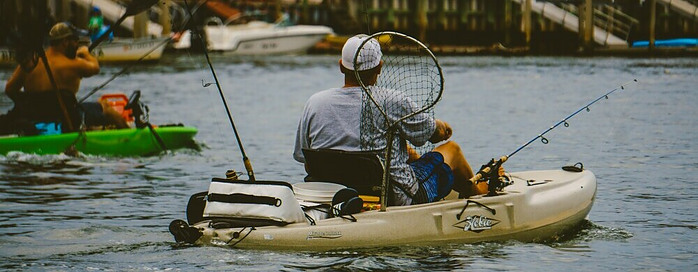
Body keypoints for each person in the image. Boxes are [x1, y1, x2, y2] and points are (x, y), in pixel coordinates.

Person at [294, 34, 498, 206]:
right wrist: (443, 127)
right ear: (379, 67)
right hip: (392, 197)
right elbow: (433, 136)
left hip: (329, 196)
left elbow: (306, 161)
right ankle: (479, 194)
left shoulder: (314, 102)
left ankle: (470, 189)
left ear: (341, 66)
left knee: (408, 153)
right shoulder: (392, 100)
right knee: (452, 150)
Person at [4, 22, 128, 132]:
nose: (77, 44)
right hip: (68, 118)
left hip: (33, 117)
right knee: (105, 106)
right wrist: (86, 53)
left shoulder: (30, 63)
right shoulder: (73, 64)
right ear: (65, 42)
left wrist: (29, 104)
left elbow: (10, 90)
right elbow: (95, 68)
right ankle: (131, 135)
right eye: (75, 41)